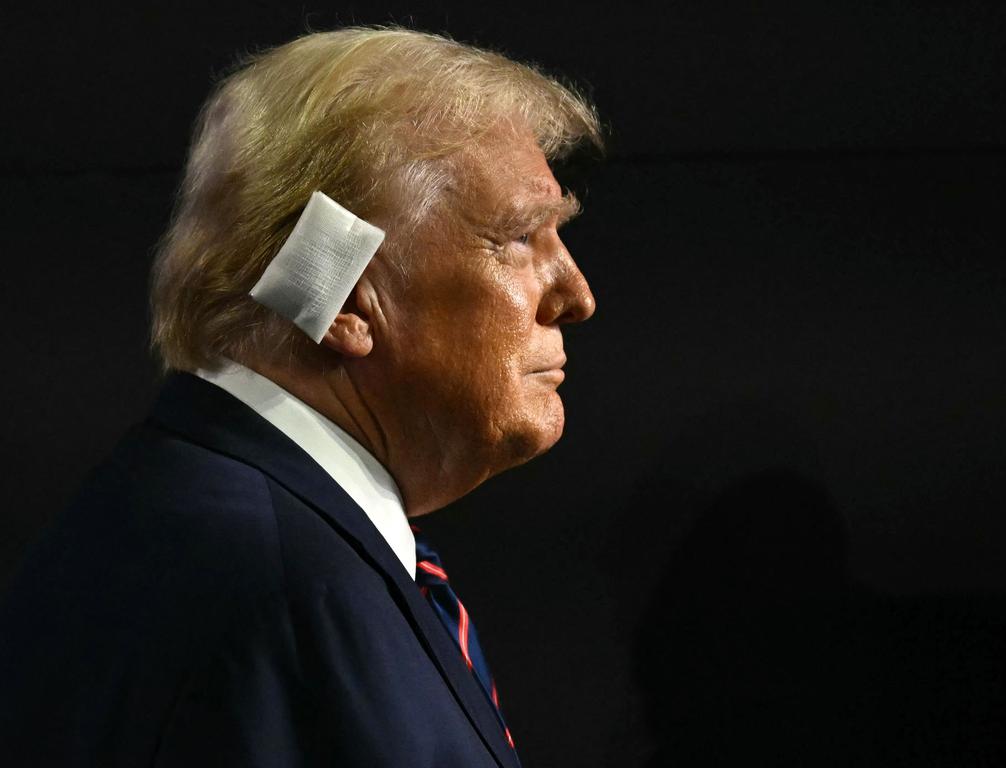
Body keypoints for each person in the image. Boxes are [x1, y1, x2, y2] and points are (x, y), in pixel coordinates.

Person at [0, 26, 601, 766]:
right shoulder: (288, 598)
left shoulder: (178, 515)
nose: (576, 295)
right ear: (347, 296)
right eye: (519, 236)